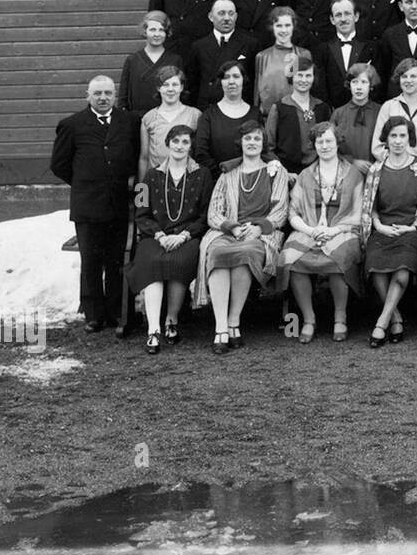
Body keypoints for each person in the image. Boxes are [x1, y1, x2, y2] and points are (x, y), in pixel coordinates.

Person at [50, 75, 142, 333]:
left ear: (115, 95)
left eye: (108, 93)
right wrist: (85, 182)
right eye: (98, 93)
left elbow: (136, 157)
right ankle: (93, 314)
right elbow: (59, 165)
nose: (103, 98)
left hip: (120, 204)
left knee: (117, 260)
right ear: (87, 95)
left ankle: (116, 311)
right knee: (90, 260)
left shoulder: (129, 122)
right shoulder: (71, 125)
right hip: (88, 205)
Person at [194, 121, 289, 353]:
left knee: (245, 253)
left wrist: (259, 228)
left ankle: (234, 320)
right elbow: (214, 211)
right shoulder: (228, 174)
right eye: (248, 139)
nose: (252, 143)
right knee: (216, 251)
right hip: (229, 232)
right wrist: (233, 228)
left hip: (261, 234)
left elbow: (280, 210)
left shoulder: (277, 172)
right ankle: (221, 327)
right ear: (241, 143)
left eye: (257, 138)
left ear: (263, 143)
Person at [127, 123, 213, 353]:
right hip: (154, 236)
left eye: (185, 142)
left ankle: (171, 321)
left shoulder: (203, 175)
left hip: (187, 236)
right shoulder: (149, 176)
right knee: (152, 262)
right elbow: (140, 211)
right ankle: (153, 329)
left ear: (191, 146)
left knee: (179, 261)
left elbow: (206, 214)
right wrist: (159, 234)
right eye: (175, 141)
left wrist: (184, 235)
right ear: (167, 144)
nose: (180, 146)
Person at [278, 122, 365, 344]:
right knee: (290, 258)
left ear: (337, 143)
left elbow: (358, 213)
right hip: (310, 229)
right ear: (314, 145)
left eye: (329, 141)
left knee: (339, 257)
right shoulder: (305, 175)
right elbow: (293, 212)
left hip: (343, 229)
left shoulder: (354, 174)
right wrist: (311, 230)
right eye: (320, 141)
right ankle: (308, 319)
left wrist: (334, 229)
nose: (324, 146)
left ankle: (340, 317)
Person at [360, 116, 417, 347]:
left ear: (410, 138)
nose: (397, 141)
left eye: (402, 135)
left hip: (413, 230)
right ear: (386, 139)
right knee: (376, 267)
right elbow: (369, 206)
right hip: (384, 229)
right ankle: (396, 318)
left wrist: (411, 226)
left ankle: (381, 323)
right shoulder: (376, 170)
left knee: (402, 269)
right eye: (393, 136)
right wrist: (379, 226)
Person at [263, 51, 332, 175]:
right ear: (292, 77)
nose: (303, 80)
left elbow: (330, 142)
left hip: (319, 172)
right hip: (288, 173)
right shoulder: (279, 108)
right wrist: (283, 172)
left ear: (314, 78)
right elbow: (269, 147)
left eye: (308, 76)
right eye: (299, 75)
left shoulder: (323, 108)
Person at [186, 0, 256, 110]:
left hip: (240, 108)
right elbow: (193, 84)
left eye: (231, 13)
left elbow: (253, 81)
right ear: (211, 17)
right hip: (208, 110)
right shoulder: (198, 46)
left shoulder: (250, 44)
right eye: (221, 13)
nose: (227, 18)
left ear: (236, 17)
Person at [194, 61, 261, 173]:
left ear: (243, 80)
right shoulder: (208, 115)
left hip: (251, 179)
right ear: (221, 82)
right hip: (218, 180)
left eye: (236, 76)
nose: (231, 81)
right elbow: (201, 153)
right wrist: (225, 174)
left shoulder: (255, 114)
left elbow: (263, 149)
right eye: (226, 77)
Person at [375, 57, 417, 164]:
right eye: (404, 76)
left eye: (413, 76)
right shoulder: (388, 107)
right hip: (395, 169)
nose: (408, 80)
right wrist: (395, 163)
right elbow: (377, 145)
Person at [315, 0, 377, 109]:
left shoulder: (371, 48)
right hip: (333, 113)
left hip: (364, 111)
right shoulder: (323, 49)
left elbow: (376, 84)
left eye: (347, 13)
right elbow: (321, 86)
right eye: (338, 15)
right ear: (332, 20)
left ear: (356, 16)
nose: (343, 19)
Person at [138, 66, 201, 175]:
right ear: (159, 88)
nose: (170, 89)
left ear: (181, 87)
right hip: (157, 181)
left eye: (175, 85)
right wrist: (142, 190)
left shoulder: (195, 115)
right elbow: (144, 158)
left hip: (187, 180)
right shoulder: (148, 118)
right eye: (165, 85)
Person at [119, 10, 183, 112]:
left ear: (166, 33)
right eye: (153, 29)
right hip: (138, 119)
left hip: (168, 118)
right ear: (145, 31)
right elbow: (123, 96)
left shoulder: (175, 60)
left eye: (161, 30)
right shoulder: (133, 60)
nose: (157, 34)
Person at [255, 6, 308, 114]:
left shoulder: (303, 55)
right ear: (272, 27)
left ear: (293, 26)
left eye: (287, 25)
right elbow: (257, 93)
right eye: (279, 26)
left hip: (296, 115)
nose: (283, 30)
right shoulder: (262, 57)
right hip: (268, 118)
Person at [330, 62, 381, 173]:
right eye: (354, 82)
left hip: (375, 172)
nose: (359, 87)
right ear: (349, 85)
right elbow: (330, 146)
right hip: (346, 172)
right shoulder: (339, 113)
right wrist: (352, 161)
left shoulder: (380, 111)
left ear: (371, 85)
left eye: (363, 82)